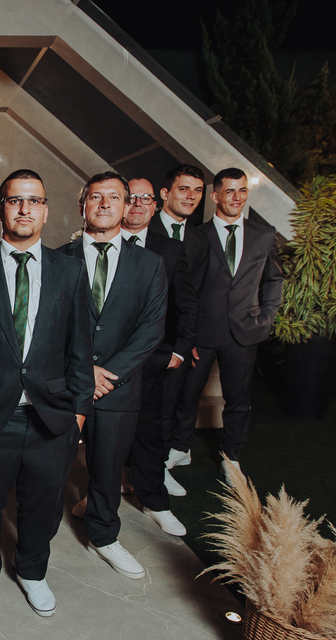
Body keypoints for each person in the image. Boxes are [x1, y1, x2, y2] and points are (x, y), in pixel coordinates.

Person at [0, 169, 93, 618]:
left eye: (34, 200)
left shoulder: (70, 271)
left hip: (51, 417)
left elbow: (80, 349)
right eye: (15, 200)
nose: (24, 209)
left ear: (46, 211)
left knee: (43, 505)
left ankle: (33, 571)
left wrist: (78, 414)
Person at [60, 172, 166, 579]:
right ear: (82, 205)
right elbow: (48, 324)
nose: (104, 204)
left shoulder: (149, 264)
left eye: (114, 197)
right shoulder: (57, 258)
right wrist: (83, 370)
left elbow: (151, 329)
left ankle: (103, 536)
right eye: (96, 197)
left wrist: (110, 375)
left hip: (118, 389)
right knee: (49, 466)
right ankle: (37, 540)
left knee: (107, 469)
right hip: (66, 384)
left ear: (126, 207)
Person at [170, 167, 284, 473]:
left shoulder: (264, 235)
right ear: (215, 196)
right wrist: (186, 334)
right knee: (187, 395)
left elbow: (274, 280)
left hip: (245, 331)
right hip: (202, 332)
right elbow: (186, 288)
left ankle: (231, 456)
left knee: (238, 399)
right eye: (230, 191)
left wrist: (267, 317)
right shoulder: (197, 235)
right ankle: (180, 448)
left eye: (242, 190)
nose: (237, 197)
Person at [118, 177, 197, 537]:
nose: (137, 204)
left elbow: (187, 305)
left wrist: (178, 350)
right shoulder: (99, 243)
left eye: (145, 199)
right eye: (131, 197)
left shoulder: (172, 250)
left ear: (155, 205)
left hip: (153, 359)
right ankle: (98, 496)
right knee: (104, 436)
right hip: (107, 361)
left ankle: (156, 502)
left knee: (150, 433)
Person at [152, 164, 206, 487]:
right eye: (184, 189)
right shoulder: (145, 228)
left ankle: (158, 469)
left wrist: (189, 339)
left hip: (177, 342)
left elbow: (195, 294)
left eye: (197, 190)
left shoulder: (200, 239)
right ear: (165, 193)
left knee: (168, 406)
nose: (191, 196)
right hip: (146, 336)